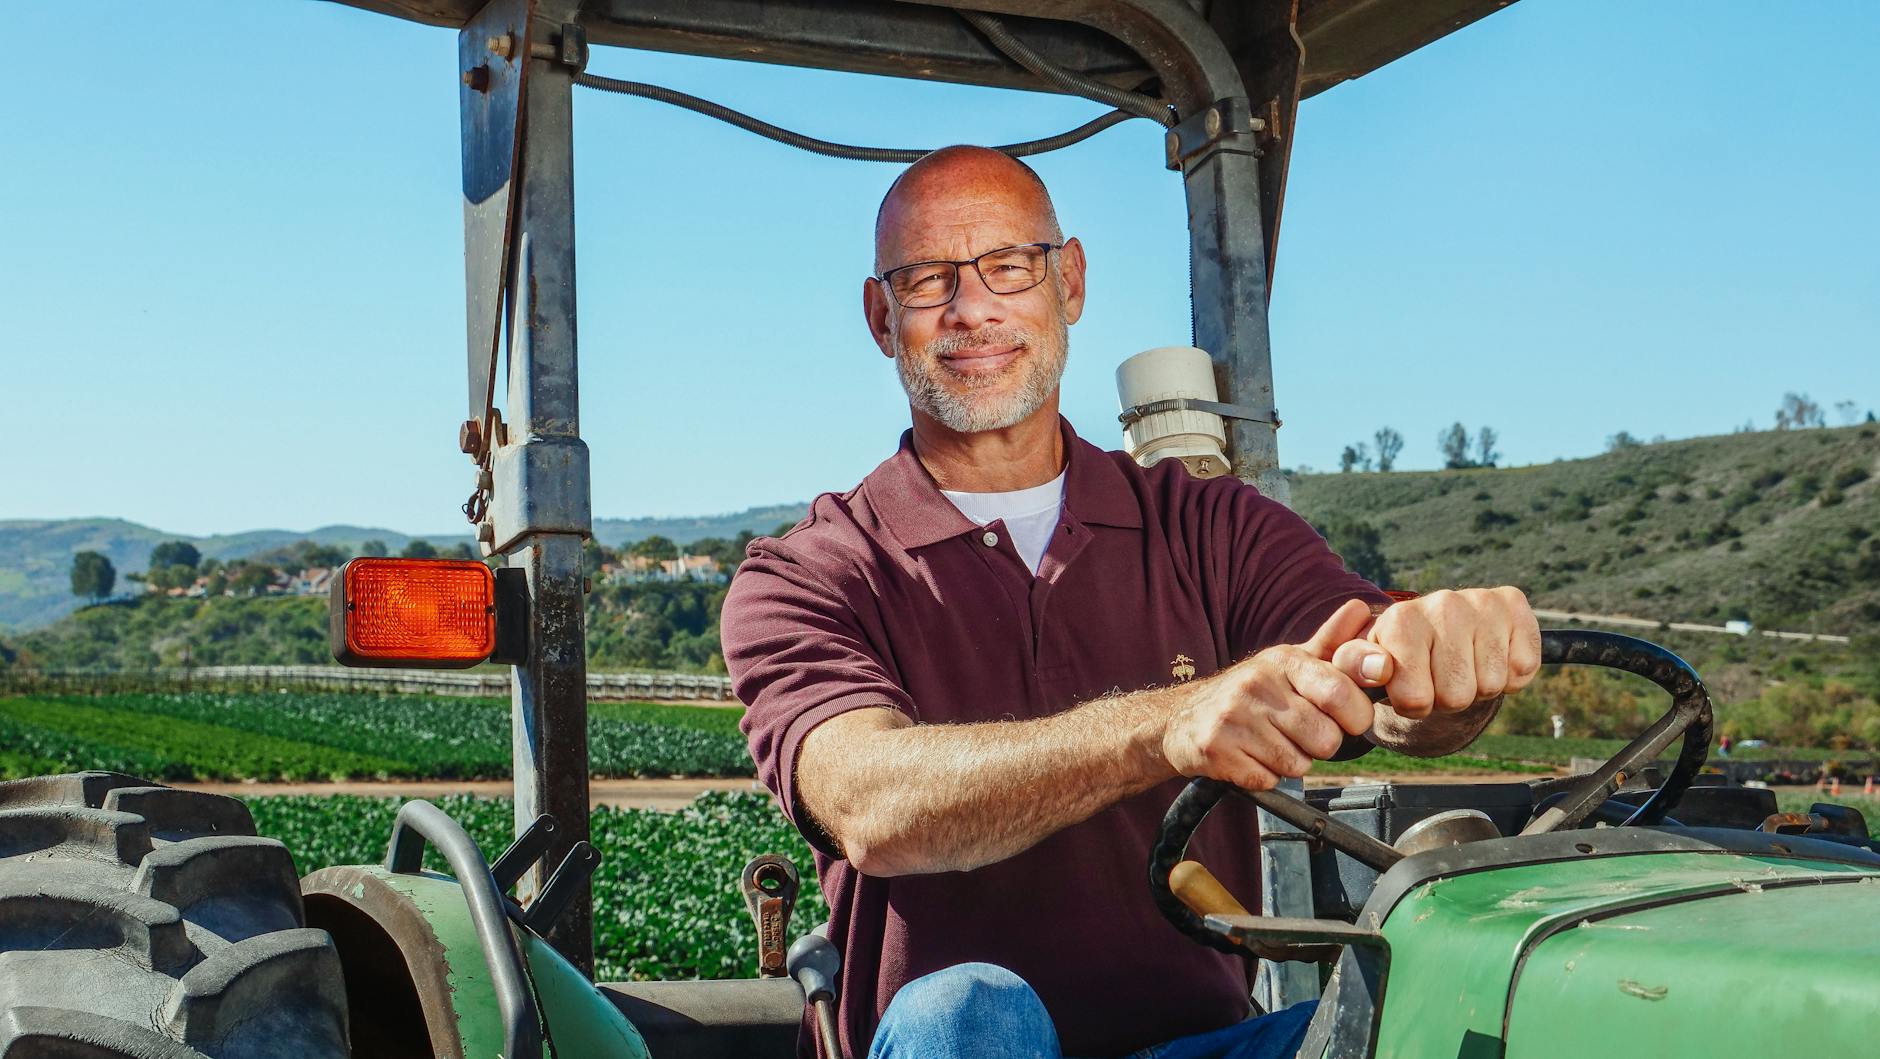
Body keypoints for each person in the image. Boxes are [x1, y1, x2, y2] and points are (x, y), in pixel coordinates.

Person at [722, 146, 1540, 1059]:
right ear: (882, 316)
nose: (973, 308)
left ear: (1068, 281)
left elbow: (1369, 664)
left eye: (1008, 266)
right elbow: (868, 803)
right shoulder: (811, 572)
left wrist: (1441, 660)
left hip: (1198, 1045)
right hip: (944, 1044)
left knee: (1434, 1020)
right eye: (927, 282)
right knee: (968, 1009)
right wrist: (1167, 726)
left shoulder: (1210, 526)